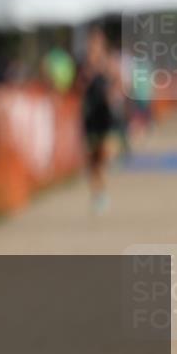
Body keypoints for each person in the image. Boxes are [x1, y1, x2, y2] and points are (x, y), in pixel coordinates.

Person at [76, 26, 115, 215]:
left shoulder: (107, 63)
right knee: (92, 161)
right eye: (92, 43)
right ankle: (97, 195)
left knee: (103, 157)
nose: (94, 46)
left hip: (104, 116)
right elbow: (78, 88)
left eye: (98, 43)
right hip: (90, 117)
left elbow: (117, 83)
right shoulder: (84, 65)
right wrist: (88, 75)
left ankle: (103, 191)